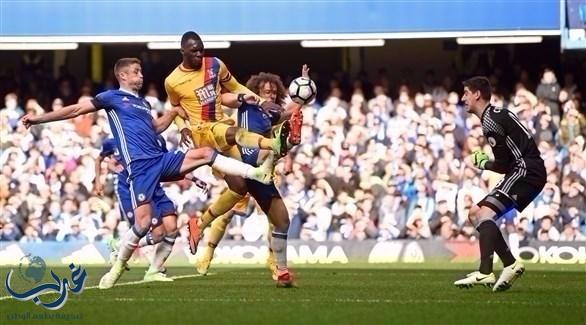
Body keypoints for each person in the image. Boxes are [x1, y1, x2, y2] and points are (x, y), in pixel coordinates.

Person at [21, 57, 276, 289]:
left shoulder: (142, 103)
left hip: (159, 159)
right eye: (135, 72)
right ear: (122, 76)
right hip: (140, 167)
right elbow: (75, 110)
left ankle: (256, 173)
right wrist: (38, 119)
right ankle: (118, 266)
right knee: (143, 224)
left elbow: (155, 128)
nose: (140, 76)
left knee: (206, 153)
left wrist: (173, 112)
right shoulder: (111, 98)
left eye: (140, 71)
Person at [164, 31, 299, 256]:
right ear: (183, 52)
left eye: (201, 49)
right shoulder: (172, 81)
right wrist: (183, 127)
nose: (199, 54)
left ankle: (199, 223)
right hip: (203, 134)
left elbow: (236, 87)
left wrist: (261, 102)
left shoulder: (215, 64)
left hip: (221, 124)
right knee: (236, 133)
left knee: (240, 187)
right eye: (194, 51)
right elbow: (176, 109)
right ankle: (273, 144)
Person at [196, 66, 309, 287]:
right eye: (265, 91)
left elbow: (288, 113)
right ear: (255, 91)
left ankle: (280, 269)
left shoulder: (273, 115)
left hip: (262, 171)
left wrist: (302, 94)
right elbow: (226, 98)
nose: (269, 95)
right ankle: (207, 248)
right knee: (228, 213)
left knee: (281, 221)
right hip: (245, 163)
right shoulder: (248, 104)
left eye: (273, 92)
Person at [454, 76, 546, 292]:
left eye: (466, 93)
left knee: (485, 215)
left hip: (526, 170)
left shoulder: (490, 121)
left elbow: (504, 165)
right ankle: (510, 264)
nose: (462, 98)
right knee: (475, 213)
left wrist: (484, 163)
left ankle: (485, 272)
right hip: (526, 169)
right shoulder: (497, 114)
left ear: (477, 94)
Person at [95, 136, 208, 282]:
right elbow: (104, 160)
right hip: (131, 189)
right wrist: (100, 179)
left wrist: (194, 179)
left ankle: (133, 256)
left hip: (155, 188)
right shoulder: (117, 140)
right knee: (153, 231)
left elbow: (170, 166)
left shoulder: (158, 140)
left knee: (171, 227)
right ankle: (129, 259)